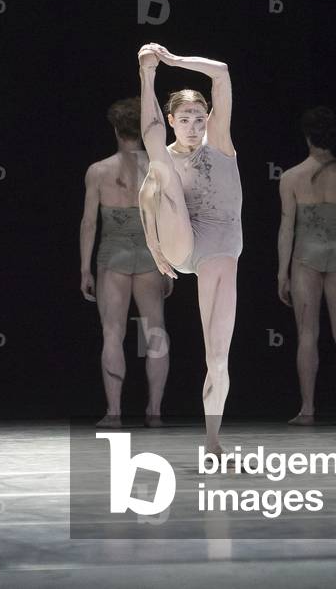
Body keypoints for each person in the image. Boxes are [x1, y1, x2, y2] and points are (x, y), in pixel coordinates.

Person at [135, 43, 241, 454]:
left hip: (219, 245)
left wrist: (175, 61)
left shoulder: (220, 142)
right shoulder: (164, 158)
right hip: (181, 237)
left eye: (199, 118)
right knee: (161, 168)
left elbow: (222, 71)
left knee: (218, 355)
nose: (194, 127)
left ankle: (212, 441)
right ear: (171, 120)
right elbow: (147, 199)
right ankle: (144, 75)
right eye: (185, 119)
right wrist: (154, 247)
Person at [80, 97, 173, 429]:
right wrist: (167, 261)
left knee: (113, 332)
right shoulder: (160, 168)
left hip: (113, 256)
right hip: (151, 256)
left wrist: (85, 269)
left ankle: (115, 412)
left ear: (117, 130)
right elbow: (169, 220)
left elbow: (89, 223)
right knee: (155, 332)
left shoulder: (99, 171)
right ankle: (155, 411)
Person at [277, 106, 336, 425]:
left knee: (307, 335)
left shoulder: (291, 177)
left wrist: (281, 272)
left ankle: (308, 409)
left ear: (307, 136)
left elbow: (287, 228)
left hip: (305, 258)